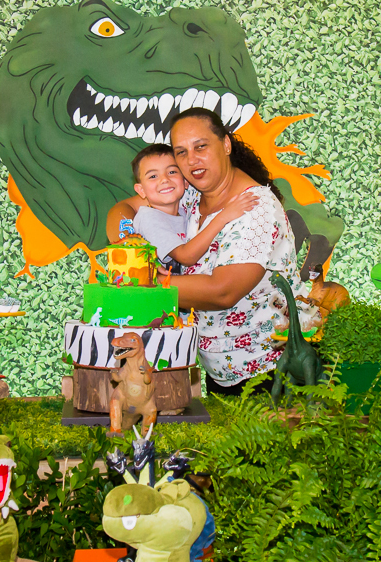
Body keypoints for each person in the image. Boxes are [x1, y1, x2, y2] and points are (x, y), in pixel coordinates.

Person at [107, 108, 302, 395]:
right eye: (181, 152)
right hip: (220, 374)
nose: (191, 160)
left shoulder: (256, 209)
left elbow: (222, 292)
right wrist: (129, 241)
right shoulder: (190, 193)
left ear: (226, 144)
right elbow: (124, 208)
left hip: (270, 372)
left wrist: (143, 281)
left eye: (201, 147)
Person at [124, 143, 258, 269]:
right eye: (153, 176)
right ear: (141, 190)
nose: (164, 179)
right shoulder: (148, 218)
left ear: (185, 181)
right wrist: (224, 216)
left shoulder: (185, 211)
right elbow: (186, 257)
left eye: (172, 172)